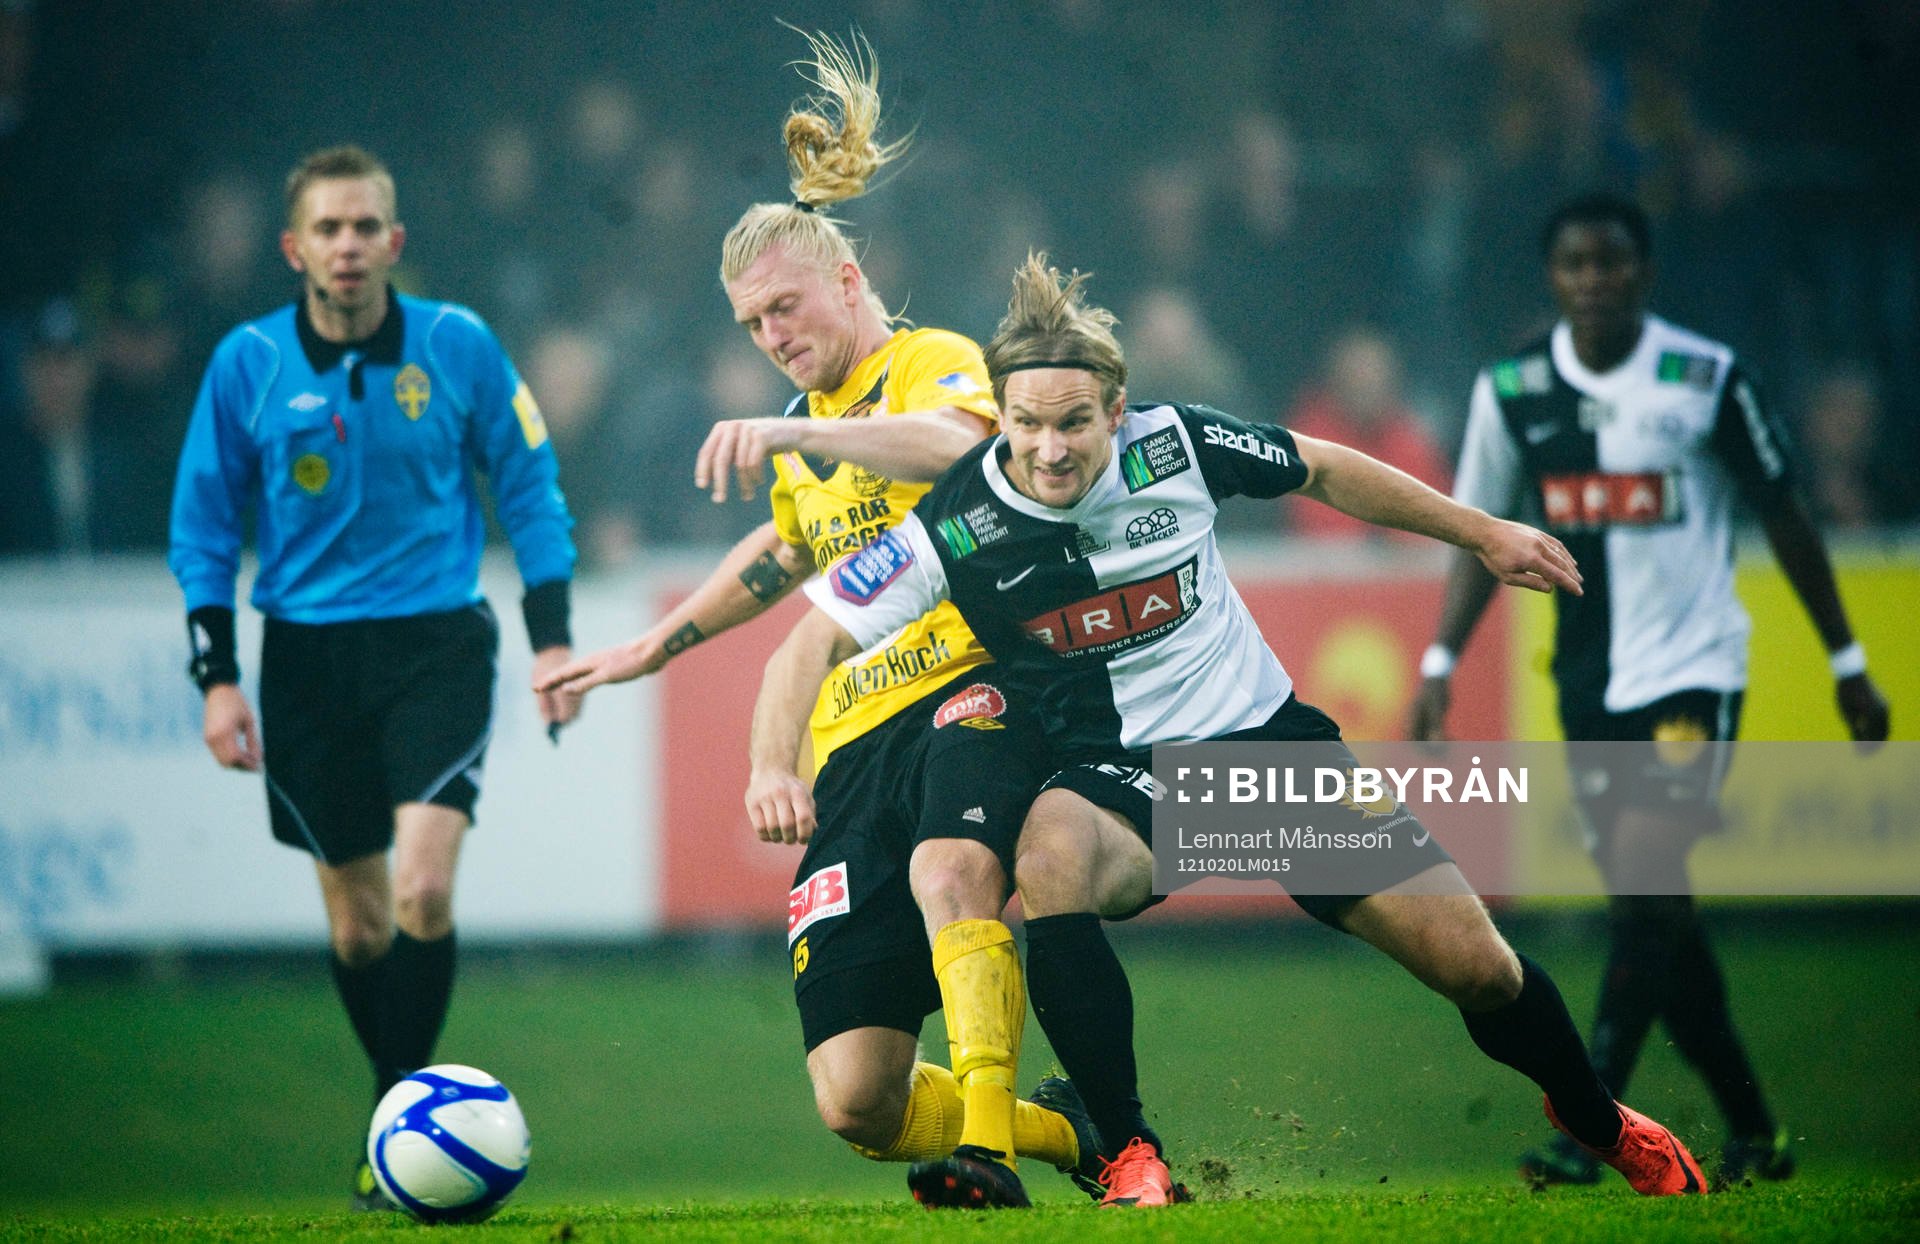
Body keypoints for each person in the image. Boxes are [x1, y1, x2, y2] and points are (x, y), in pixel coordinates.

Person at [767, 251, 1713, 1204]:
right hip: (1122, 778)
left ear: (1118, 411)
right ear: (1001, 418)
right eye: (1026, 425)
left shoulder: (1175, 445)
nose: (1049, 450)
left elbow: (1325, 469)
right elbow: (809, 640)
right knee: (1050, 851)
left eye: (1074, 423)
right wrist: (773, 765)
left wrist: (1483, 531)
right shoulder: (959, 519)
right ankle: (1129, 1152)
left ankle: (1599, 1120)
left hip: (1268, 756)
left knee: (1481, 973)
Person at [534, 32, 1098, 1209]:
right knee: (857, 1097)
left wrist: (799, 427)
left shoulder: (930, 364)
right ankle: (1065, 1128)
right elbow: (783, 552)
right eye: (752, 325)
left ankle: (988, 1152)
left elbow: (963, 450)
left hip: (970, 694)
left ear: (847, 280)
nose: (772, 336)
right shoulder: (810, 436)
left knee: (956, 866)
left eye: (783, 307)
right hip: (854, 749)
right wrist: (650, 649)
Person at [1408, 192, 1891, 1187]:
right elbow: (1480, 533)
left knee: (1646, 890)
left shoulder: (1705, 378)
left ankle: (1589, 1130)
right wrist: (1440, 663)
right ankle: (1756, 1133)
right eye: (1575, 264)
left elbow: (1784, 511)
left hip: (1693, 674)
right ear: (1553, 278)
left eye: (1612, 262)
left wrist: (1847, 661)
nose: (1594, 280)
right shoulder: (1514, 390)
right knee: (1658, 911)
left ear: (1645, 271)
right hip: (1589, 686)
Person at [167, 145, 580, 1211]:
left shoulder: (456, 345)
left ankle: (395, 1124)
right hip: (307, 658)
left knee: (423, 889)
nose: (347, 245)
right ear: (293, 247)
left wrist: (551, 637)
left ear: (394, 242)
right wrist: (217, 676)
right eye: (328, 228)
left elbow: (529, 483)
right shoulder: (248, 363)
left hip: (436, 643)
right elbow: (203, 525)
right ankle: (395, 1107)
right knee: (358, 928)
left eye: (365, 227)